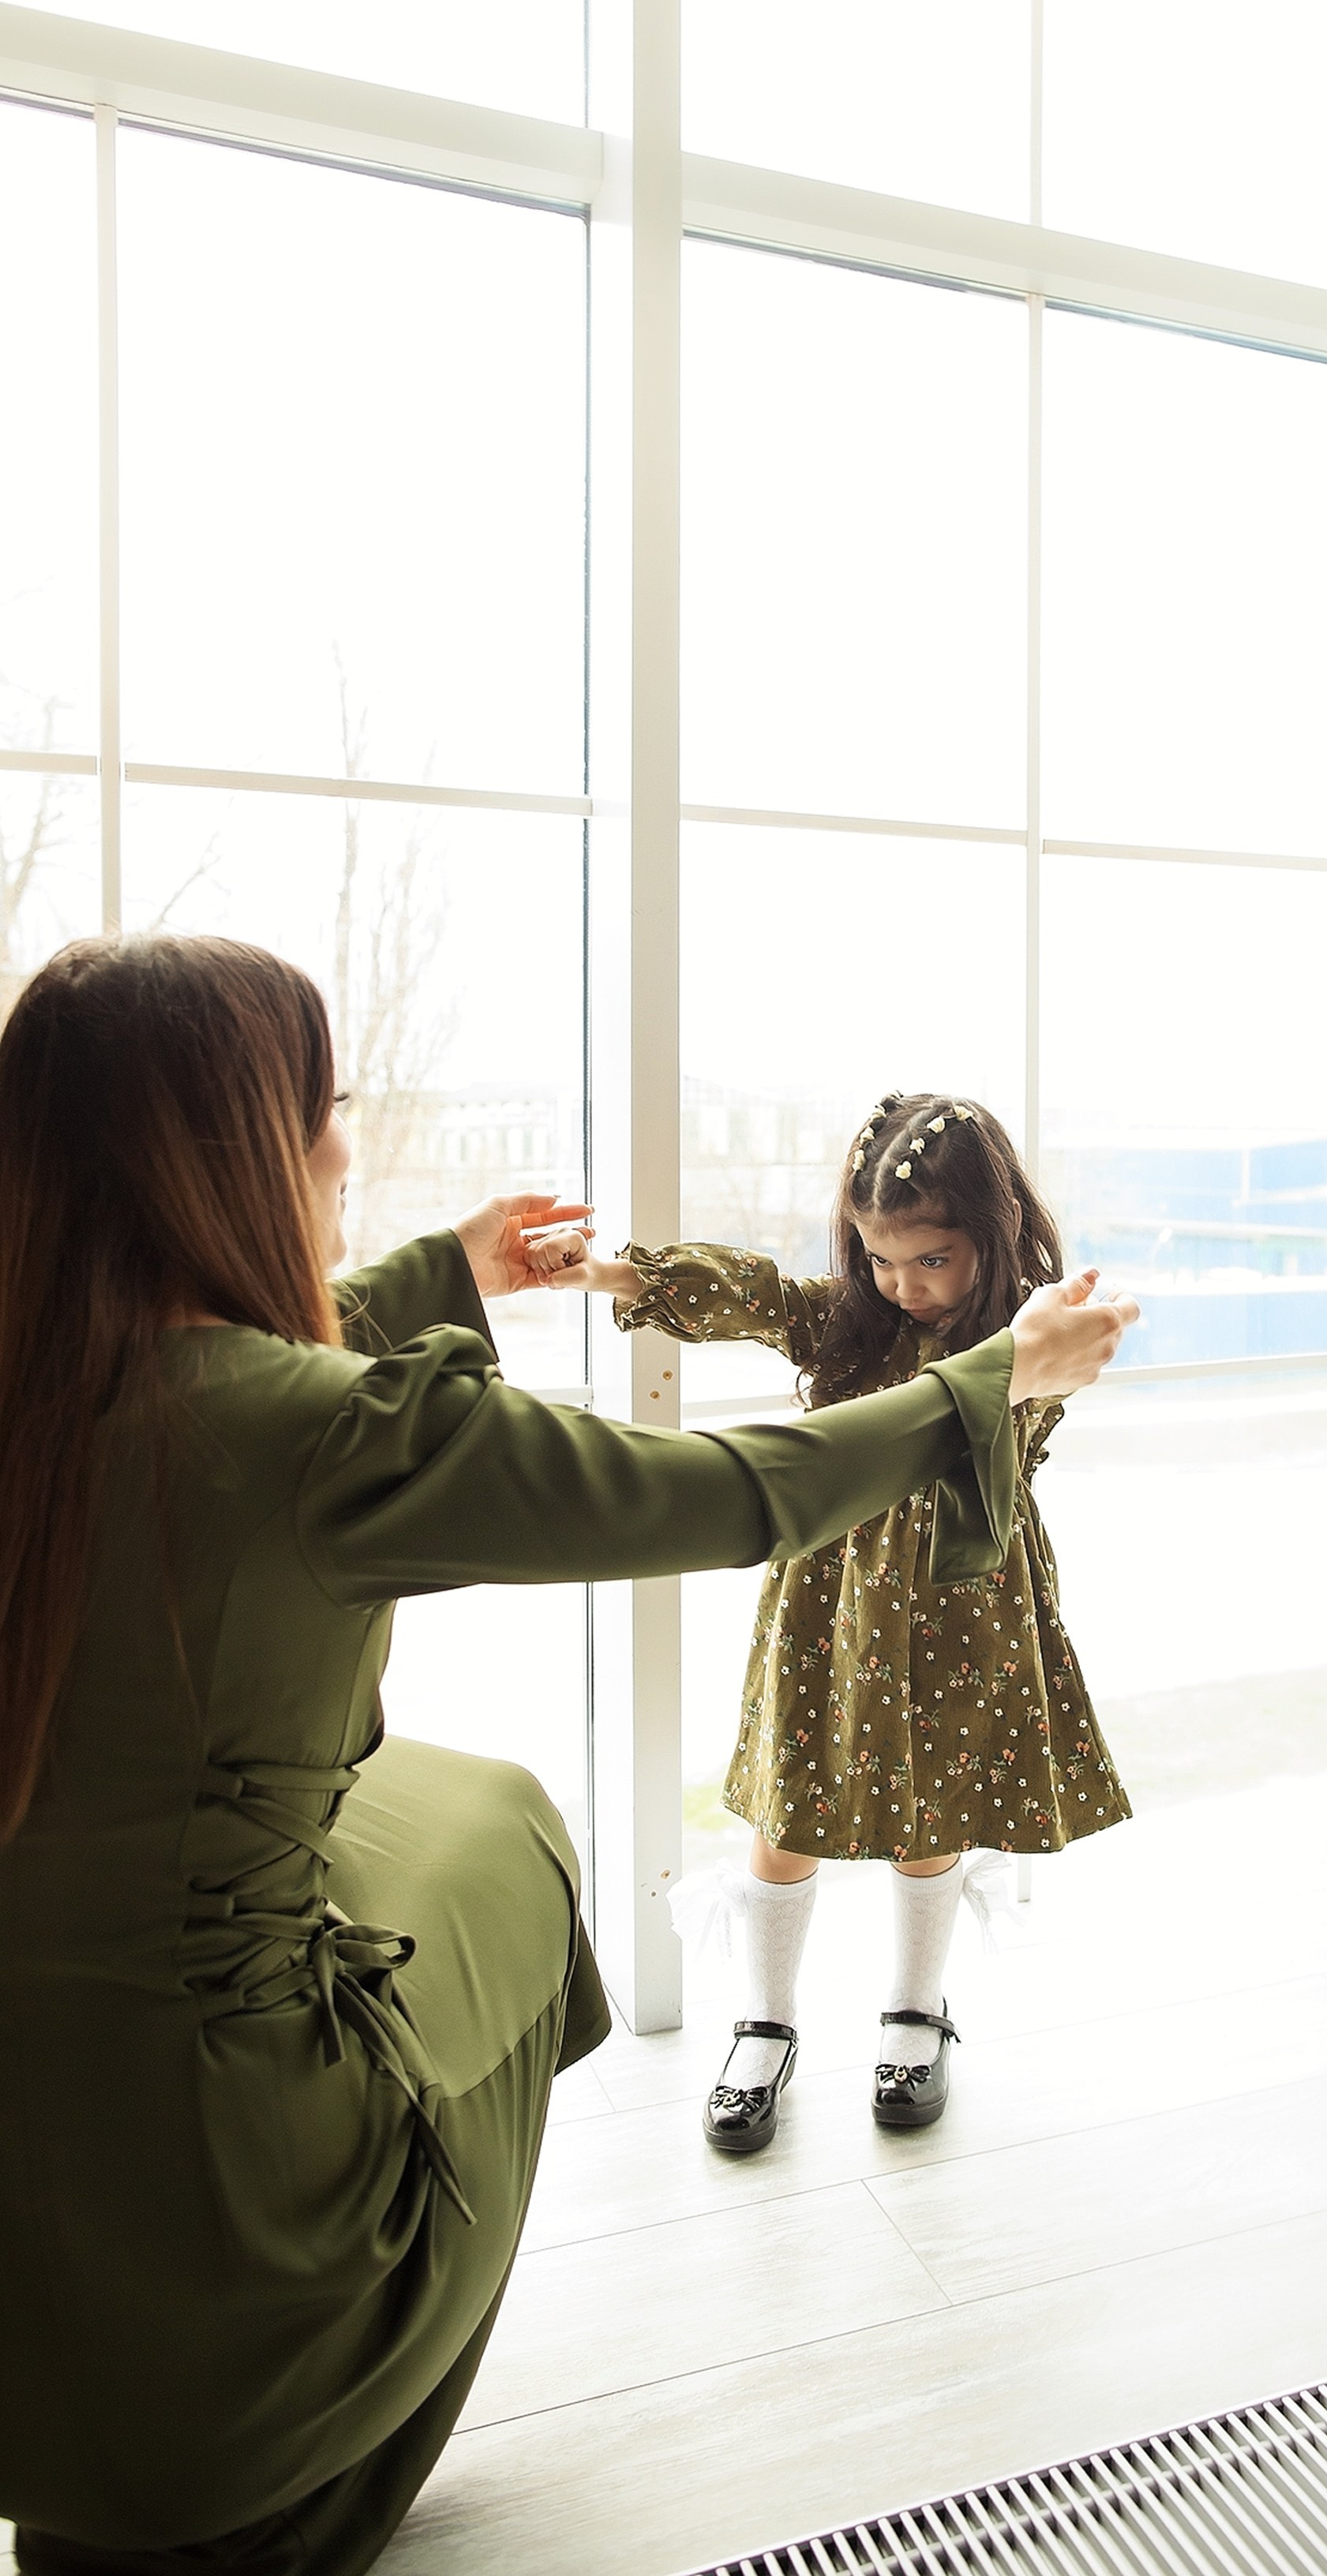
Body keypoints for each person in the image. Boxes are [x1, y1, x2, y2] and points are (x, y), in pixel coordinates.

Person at [0, 943, 1132, 2576]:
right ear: (224, 1153)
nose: (336, 1147)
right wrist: (992, 1378)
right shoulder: (326, 1435)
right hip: (231, 2186)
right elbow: (731, 1487)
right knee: (518, 1843)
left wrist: (439, 1274)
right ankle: (327, 2376)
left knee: (430, 1802)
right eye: (316, 1114)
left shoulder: (50, 1371)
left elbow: (192, 1348)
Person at [535, 1091, 1134, 2155]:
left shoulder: (1027, 1341)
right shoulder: (850, 1324)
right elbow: (753, 1296)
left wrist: (1029, 1350)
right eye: (879, 1259)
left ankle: (916, 2012)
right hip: (833, 1606)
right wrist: (619, 1276)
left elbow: (1003, 1418)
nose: (902, 1286)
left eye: (932, 1261)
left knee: (933, 1813)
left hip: (966, 1600)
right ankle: (764, 2023)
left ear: (988, 1244)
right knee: (787, 1818)